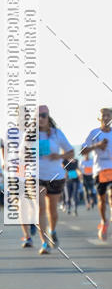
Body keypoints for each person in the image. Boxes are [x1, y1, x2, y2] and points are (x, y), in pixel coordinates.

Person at [36, 105, 73, 255]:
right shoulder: (30, 135)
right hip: (37, 176)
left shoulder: (57, 134)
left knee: (53, 210)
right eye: (38, 116)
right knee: (40, 208)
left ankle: (52, 230)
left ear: (48, 116)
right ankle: (44, 242)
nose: (41, 118)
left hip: (55, 176)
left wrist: (59, 157)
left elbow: (71, 152)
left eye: (43, 115)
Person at [81, 107, 112, 240]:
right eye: (103, 115)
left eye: (108, 115)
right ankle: (104, 221)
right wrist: (97, 145)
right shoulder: (94, 133)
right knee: (102, 199)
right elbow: (83, 151)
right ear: (100, 118)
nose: (105, 118)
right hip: (99, 170)